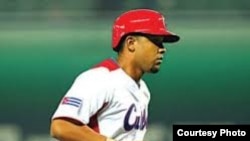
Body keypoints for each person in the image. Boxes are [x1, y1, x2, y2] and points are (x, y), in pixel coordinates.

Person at [50, 8, 180, 141]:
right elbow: (61, 126)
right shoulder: (100, 78)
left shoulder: (143, 90)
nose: (162, 48)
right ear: (131, 43)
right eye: (156, 41)